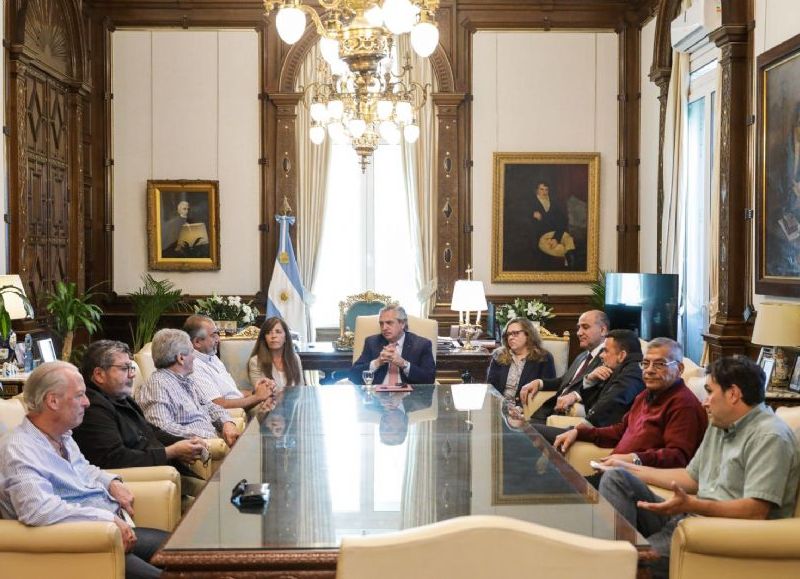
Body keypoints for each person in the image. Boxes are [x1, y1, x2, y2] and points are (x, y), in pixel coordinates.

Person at [597, 356, 800, 578]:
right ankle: (624, 556)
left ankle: (626, 560)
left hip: (719, 533)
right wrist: (629, 468)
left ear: (733, 394)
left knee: (615, 560)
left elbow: (755, 511)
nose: (704, 401)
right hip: (688, 519)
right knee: (617, 478)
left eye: (710, 392)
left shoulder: (770, 436)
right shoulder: (720, 422)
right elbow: (692, 478)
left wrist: (694, 504)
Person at [0, 361, 168, 578]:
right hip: (83, 545)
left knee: (193, 553)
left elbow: (84, 469)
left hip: (108, 531)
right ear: (52, 401)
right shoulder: (19, 449)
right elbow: (37, 510)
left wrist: (111, 483)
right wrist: (104, 519)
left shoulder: (62, 434)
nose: (87, 402)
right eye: (79, 395)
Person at [72, 340, 207, 494]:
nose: (132, 374)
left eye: (131, 368)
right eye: (125, 368)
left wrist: (184, 442)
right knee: (218, 500)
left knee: (221, 493)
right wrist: (171, 452)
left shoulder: (121, 397)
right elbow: (114, 460)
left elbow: (151, 431)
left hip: (166, 475)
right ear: (99, 375)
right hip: (150, 485)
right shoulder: (92, 409)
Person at [553, 338, 708, 472]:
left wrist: (634, 459)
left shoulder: (683, 405)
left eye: (659, 364)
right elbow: (621, 430)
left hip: (636, 480)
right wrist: (579, 432)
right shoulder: (644, 396)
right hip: (612, 471)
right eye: (645, 363)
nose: (649, 370)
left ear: (679, 369)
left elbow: (678, 457)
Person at [533, 329, 645, 443]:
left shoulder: (633, 373)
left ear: (622, 355)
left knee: (531, 431)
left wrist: (580, 429)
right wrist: (589, 380)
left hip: (603, 436)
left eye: (606, 351)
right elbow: (592, 403)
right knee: (529, 430)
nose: (601, 356)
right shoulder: (619, 369)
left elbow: (610, 403)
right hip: (593, 431)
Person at [135, 328, 239, 448]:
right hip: (204, 448)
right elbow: (162, 428)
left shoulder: (186, 380)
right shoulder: (158, 385)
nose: (195, 357)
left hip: (216, 441)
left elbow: (210, 406)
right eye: (191, 351)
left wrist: (226, 422)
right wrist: (209, 436)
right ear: (181, 358)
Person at [519, 309, 608, 424]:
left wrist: (575, 395)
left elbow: (600, 391)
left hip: (566, 417)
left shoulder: (608, 357)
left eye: (585, 327)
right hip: (548, 411)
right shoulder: (582, 356)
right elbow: (564, 381)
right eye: (578, 328)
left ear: (603, 330)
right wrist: (539, 383)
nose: (579, 333)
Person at [184, 314, 275, 411]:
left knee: (275, 402)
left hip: (242, 407)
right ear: (197, 342)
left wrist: (259, 391)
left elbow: (233, 394)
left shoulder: (212, 358)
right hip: (232, 414)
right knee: (272, 409)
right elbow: (218, 404)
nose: (218, 339)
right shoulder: (194, 367)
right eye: (213, 335)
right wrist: (258, 397)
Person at [349, 304, 436, 385]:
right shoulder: (372, 342)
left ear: (402, 324)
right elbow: (353, 375)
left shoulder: (421, 345)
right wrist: (377, 362)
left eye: (389, 323)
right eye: (381, 323)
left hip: (409, 398)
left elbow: (429, 379)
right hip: (377, 397)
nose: (384, 328)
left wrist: (404, 364)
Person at [485, 317, 555, 405]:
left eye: (515, 333)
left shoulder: (543, 358)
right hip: (501, 408)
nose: (510, 337)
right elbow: (491, 388)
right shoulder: (499, 355)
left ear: (528, 334)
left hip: (529, 409)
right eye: (508, 334)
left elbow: (548, 390)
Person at [248, 316, 305, 392]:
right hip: (267, 403)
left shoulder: (295, 358)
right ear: (264, 338)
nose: (273, 336)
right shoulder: (255, 361)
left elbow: (300, 389)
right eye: (268, 332)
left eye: (278, 332)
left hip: (292, 403)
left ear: (285, 337)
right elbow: (260, 394)